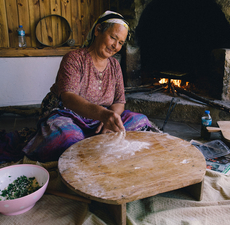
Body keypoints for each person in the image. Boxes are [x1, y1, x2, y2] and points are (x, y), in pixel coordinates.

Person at [22, 11, 155, 162]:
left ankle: (94, 141)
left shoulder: (115, 66)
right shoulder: (74, 59)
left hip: (100, 120)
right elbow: (68, 98)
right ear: (98, 30)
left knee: (140, 121)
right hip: (67, 115)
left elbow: (119, 101)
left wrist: (110, 120)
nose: (115, 46)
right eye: (113, 38)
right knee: (68, 138)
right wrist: (103, 115)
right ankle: (89, 145)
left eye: (120, 43)